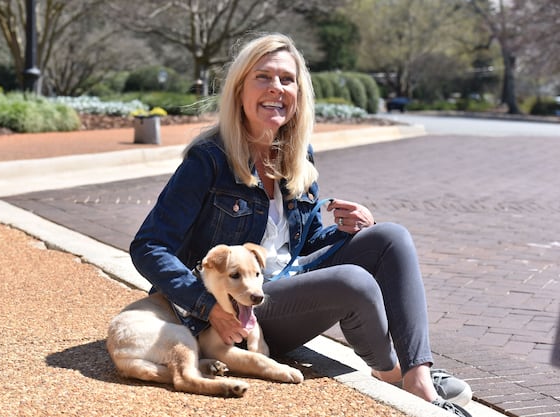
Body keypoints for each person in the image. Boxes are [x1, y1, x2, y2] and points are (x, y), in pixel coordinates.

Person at [130, 32, 472, 416]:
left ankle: (419, 377)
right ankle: (393, 376)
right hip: (233, 313)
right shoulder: (208, 160)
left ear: (299, 93)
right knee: (352, 282)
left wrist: (346, 230)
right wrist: (208, 306)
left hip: (283, 294)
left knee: (389, 237)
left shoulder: (296, 155)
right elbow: (148, 246)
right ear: (239, 89)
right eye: (263, 77)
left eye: (287, 80)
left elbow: (299, 244)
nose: (276, 88)